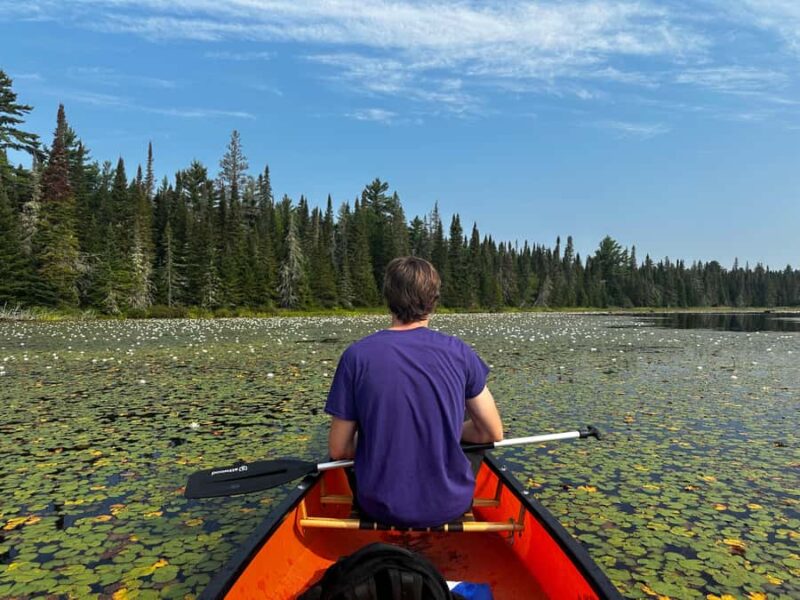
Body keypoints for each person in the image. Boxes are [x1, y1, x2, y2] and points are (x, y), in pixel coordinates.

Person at [325, 256, 503, 528]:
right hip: (450, 505)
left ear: (388, 297)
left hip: (378, 506)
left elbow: (339, 450)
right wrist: (451, 429)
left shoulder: (356, 356)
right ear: (434, 300)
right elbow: (492, 433)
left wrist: (376, 437)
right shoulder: (460, 353)